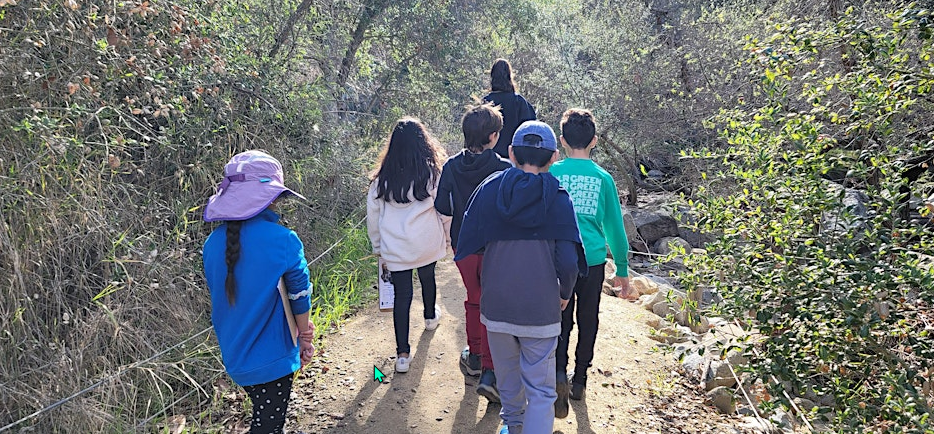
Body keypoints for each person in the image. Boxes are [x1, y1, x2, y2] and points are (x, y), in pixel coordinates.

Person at [456, 121, 587, 434]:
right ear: (554, 157)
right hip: (541, 307)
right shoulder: (558, 198)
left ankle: (513, 427)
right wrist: (565, 294)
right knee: (541, 389)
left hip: (497, 304)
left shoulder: (489, 190)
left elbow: (468, 245)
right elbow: (568, 262)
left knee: (507, 376)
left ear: (511, 153)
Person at [202, 150, 316, 434]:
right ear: (272, 198)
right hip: (272, 360)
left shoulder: (211, 245)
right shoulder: (284, 240)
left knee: (265, 419)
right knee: (268, 426)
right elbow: (299, 296)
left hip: (235, 358)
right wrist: (305, 336)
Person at [549, 109, 632, 418]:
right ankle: (580, 379)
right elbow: (615, 228)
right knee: (588, 317)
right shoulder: (603, 178)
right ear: (595, 141)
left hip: (559, 259)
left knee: (560, 317)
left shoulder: (552, 173)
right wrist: (622, 270)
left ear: (562, 140)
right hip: (594, 259)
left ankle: (559, 372)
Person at [434, 101, 513, 403]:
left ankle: (475, 354)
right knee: (492, 303)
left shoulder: (452, 166)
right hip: (495, 246)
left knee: (474, 299)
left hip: (463, 245)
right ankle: (491, 370)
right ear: (494, 137)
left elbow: (442, 206)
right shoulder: (504, 168)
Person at [367, 117, 450, 374]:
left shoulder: (381, 180)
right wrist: (447, 238)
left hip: (397, 248)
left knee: (402, 297)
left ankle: (402, 354)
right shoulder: (432, 174)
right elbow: (444, 211)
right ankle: (429, 316)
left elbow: (373, 217)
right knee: (428, 277)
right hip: (426, 243)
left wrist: (378, 246)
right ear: (423, 144)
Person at [483, 58, 537, 159]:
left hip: (488, 160)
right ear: (509, 75)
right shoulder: (520, 102)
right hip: (514, 159)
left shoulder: (485, 103)